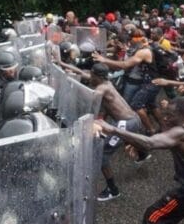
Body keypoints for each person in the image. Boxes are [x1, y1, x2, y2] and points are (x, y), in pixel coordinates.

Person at [62, 63, 149, 201]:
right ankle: (143, 154)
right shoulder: (107, 82)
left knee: (102, 156)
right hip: (133, 119)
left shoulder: (101, 89)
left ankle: (113, 190)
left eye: (91, 74)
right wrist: (62, 64)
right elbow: (82, 73)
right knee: (124, 140)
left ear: (96, 76)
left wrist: (71, 86)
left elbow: (89, 103)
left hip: (125, 124)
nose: (89, 76)